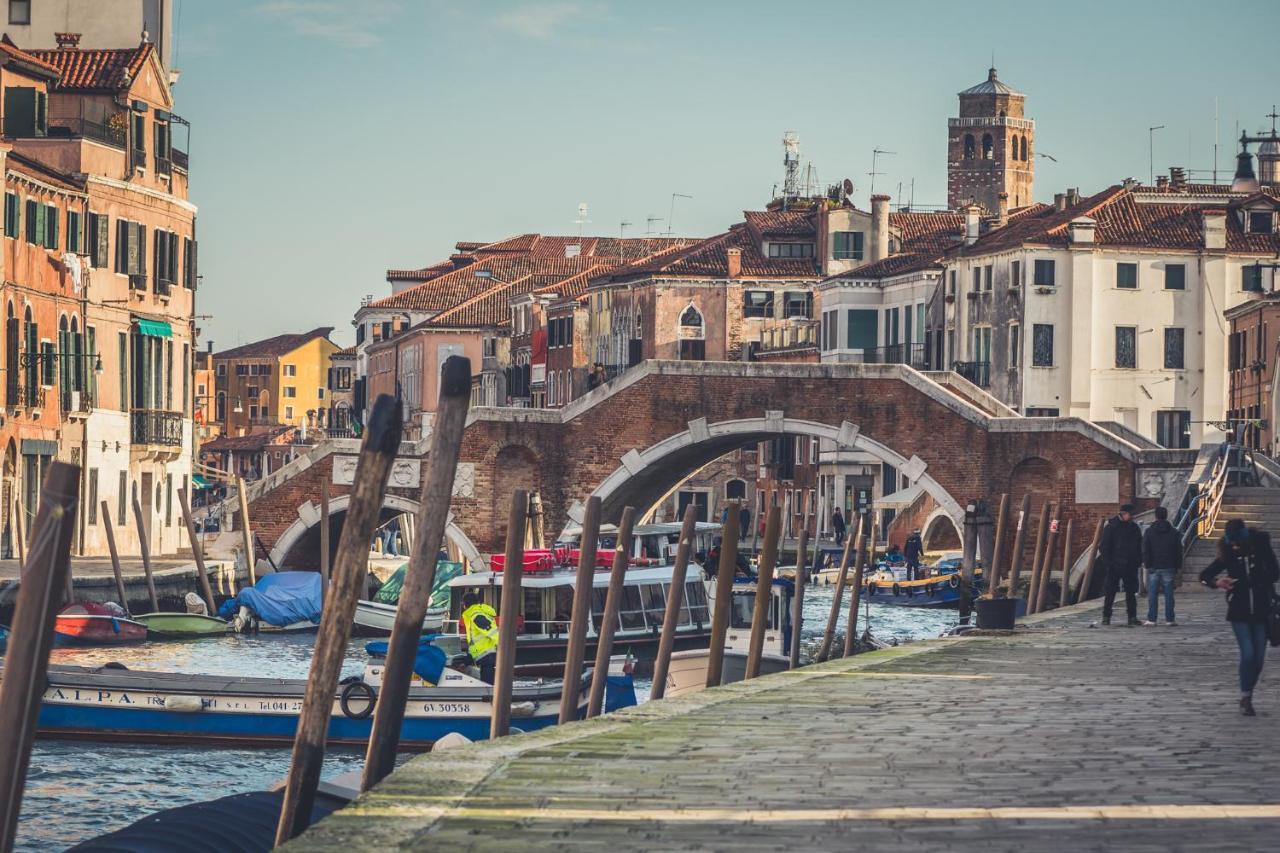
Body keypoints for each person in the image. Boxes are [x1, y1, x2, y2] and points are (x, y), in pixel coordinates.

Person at [1199, 519, 1278, 717]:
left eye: (1237, 542)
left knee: (1259, 659)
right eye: (1231, 543)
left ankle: (1248, 692)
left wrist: (1257, 579)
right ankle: (1245, 696)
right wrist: (1218, 582)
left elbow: (1276, 572)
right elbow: (1205, 574)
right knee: (1248, 653)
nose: (1234, 546)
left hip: (1261, 610)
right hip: (1239, 611)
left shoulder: (1261, 546)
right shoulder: (1228, 552)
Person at [1099, 503, 1143, 626]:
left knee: (1131, 592)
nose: (1133, 517)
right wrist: (1109, 564)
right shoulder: (1111, 527)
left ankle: (1132, 617)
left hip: (1130, 565)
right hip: (1115, 565)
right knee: (1110, 592)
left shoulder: (1134, 528)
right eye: (1131, 514)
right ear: (1123, 514)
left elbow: (1140, 546)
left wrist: (1138, 561)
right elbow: (1104, 547)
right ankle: (1106, 616)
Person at [1141, 505, 1181, 626]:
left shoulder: (1149, 531)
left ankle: (1152, 619)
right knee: (1169, 594)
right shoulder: (1174, 532)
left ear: (1156, 516)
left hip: (1154, 566)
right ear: (1166, 515)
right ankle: (1170, 619)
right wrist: (1177, 565)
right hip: (1169, 566)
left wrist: (1147, 563)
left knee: (1152, 594)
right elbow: (1178, 550)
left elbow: (1145, 549)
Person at [460, 591, 499, 685]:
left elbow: (494, 633)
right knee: (487, 681)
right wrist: (467, 660)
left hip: (487, 655)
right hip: (484, 655)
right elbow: (475, 641)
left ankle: (490, 697)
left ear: (465, 604)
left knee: (488, 684)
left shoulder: (476, 616)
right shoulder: (474, 615)